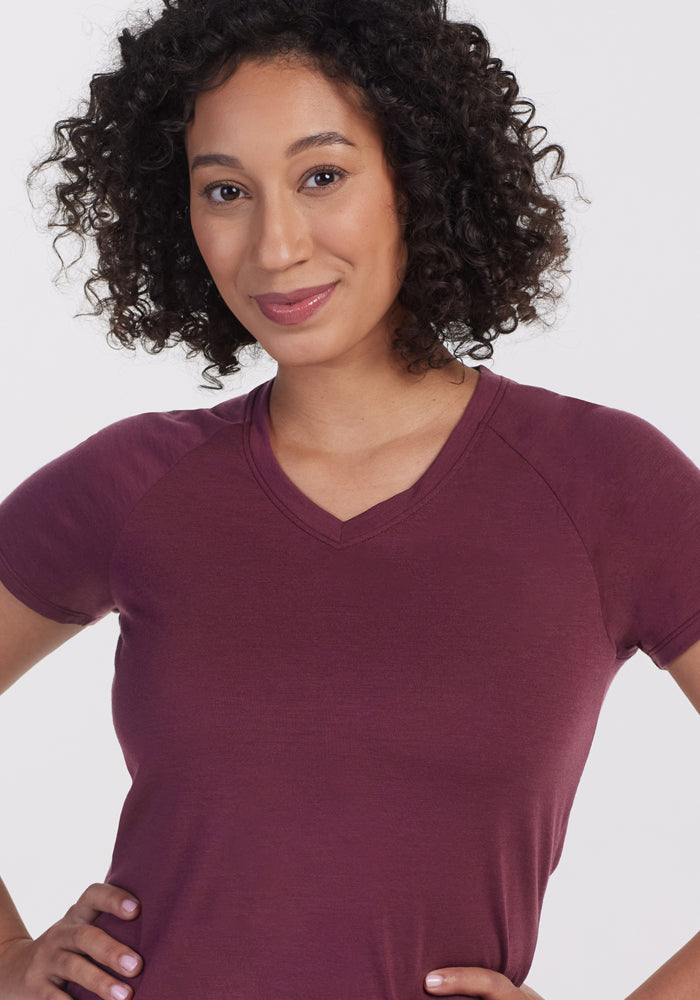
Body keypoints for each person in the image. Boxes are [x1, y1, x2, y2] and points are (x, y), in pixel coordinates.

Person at [0, 1, 698, 998]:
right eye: (224, 190)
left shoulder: (603, 484)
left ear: (415, 173)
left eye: (321, 175)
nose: (275, 244)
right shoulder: (138, 483)